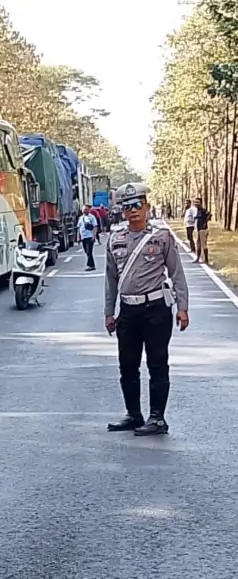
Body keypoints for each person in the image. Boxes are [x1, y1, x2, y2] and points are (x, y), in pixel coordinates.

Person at [104, 183, 189, 436]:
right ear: (121, 211)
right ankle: (133, 414)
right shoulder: (115, 239)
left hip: (156, 309)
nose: (133, 211)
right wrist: (109, 312)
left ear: (147, 207)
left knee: (157, 364)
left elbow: (177, 274)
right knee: (127, 365)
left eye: (137, 205)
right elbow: (110, 279)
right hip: (128, 311)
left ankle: (157, 418)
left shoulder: (161, 237)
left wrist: (182, 307)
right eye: (127, 206)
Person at [77, 205, 99, 271]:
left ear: (89, 210)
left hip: (90, 236)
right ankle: (92, 265)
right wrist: (78, 237)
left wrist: (94, 236)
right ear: (82, 210)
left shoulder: (92, 217)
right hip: (83, 237)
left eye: (86, 209)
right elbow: (79, 228)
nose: (85, 210)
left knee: (89, 251)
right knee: (86, 252)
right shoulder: (81, 218)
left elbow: (95, 227)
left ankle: (90, 266)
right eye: (84, 209)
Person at [193, 197, 211, 264]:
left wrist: (205, 222)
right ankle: (198, 258)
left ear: (201, 203)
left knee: (203, 245)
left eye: (197, 202)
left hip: (203, 230)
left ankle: (206, 260)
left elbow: (209, 214)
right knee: (198, 244)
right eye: (195, 202)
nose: (196, 204)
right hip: (198, 230)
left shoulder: (203, 210)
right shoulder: (197, 210)